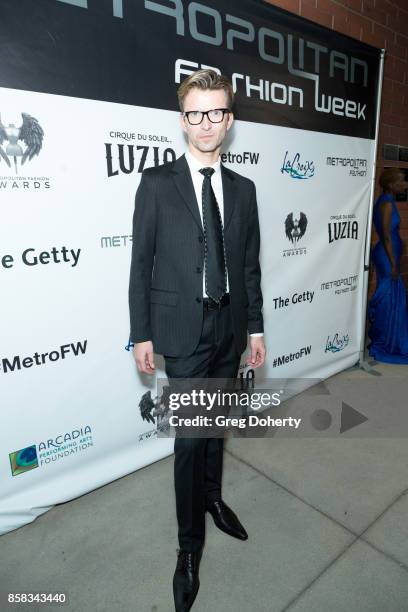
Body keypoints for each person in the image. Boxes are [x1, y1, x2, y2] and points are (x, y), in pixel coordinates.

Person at [128, 69, 266, 611]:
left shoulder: (245, 189)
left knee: (215, 428)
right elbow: (141, 266)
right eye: (195, 113)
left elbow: (250, 267)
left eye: (216, 113)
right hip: (181, 332)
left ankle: (213, 498)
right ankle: (189, 549)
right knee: (190, 441)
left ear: (228, 120)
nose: (206, 123)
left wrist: (254, 328)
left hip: (229, 328)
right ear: (182, 119)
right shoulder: (157, 183)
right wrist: (141, 333)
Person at [368, 168, 408, 363]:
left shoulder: (387, 201)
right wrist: (393, 264)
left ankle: (390, 336)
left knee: (392, 297)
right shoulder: (386, 204)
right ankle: (387, 341)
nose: (405, 184)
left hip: (389, 254)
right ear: (392, 184)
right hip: (387, 256)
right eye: (402, 181)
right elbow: (385, 235)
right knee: (389, 298)